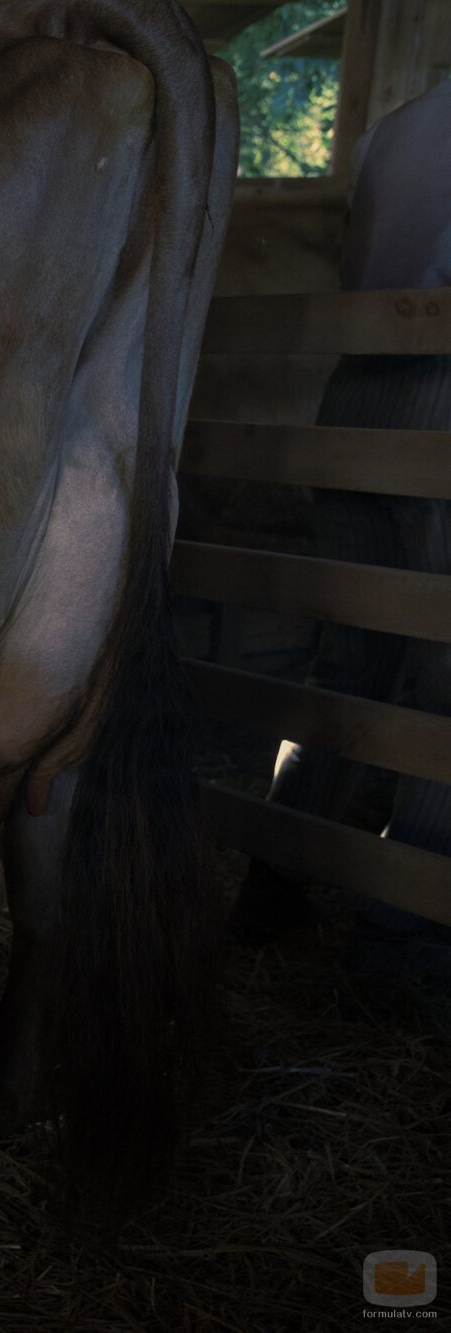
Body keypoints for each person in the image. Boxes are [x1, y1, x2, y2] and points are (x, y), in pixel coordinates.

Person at [229, 79, 451, 977]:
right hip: (440, 396)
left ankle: (275, 874)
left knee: (350, 656)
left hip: (353, 392)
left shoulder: (390, 131)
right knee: (444, 674)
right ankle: (402, 927)